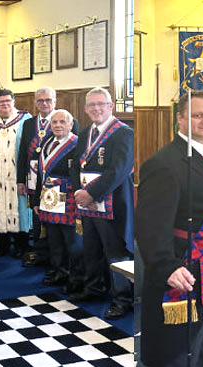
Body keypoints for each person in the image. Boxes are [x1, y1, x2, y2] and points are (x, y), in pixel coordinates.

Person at [135, 90, 203, 367]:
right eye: (197, 115)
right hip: (187, 266)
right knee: (182, 350)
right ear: (180, 118)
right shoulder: (165, 163)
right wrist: (166, 265)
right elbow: (150, 225)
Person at [72, 87, 137, 320]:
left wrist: (91, 193)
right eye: (92, 105)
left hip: (112, 205)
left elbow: (118, 171)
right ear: (86, 109)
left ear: (111, 106)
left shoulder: (123, 133)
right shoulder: (85, 133)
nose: (96, 108)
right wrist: (79, 193)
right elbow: (75, 166)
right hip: (87, 205)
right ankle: (94, 288)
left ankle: (122, 299)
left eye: (101, 104)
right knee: (91, 249)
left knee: (115, 252)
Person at [31, 109, 82, 289]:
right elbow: (40, 174)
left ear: (71, 124)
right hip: (49, 199)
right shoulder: (47, 142)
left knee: (72, 242)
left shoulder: (78, 144)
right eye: (55, 122)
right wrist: (36, 200)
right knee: (54, 239)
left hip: (68, 200)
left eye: (62, 122)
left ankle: (74, 278)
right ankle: (59, 271)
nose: (58, 125)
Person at [0, 90, 34, 258]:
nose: (5, 104)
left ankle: (22, 245)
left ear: (14, 101)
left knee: (20, 208)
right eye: (1, 102)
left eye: (8, 101)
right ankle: (2, 244)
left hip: (17, 175)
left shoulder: (26, 120)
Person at [19, 87, 58, 268]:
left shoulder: (65, 120)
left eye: (48, 100)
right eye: (40, 100)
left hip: (55, 181)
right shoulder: (28, 123)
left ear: (55, 102)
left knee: (53, 218)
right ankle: (40, 253)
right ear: (35, 103)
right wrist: (20, 179)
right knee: (36, 215)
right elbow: (22, 153)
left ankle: (55, 257)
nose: (44, 104)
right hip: (33, 178)